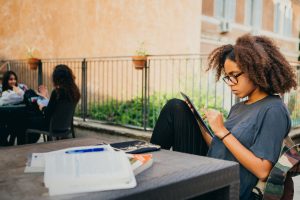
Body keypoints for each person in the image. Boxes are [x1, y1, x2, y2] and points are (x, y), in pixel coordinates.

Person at [150, 34, 297, 200]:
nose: (231, 82)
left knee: (175, 107)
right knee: (176, 108)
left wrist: (223, 131)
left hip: (227, 188)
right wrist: (199, 124)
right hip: (212, 170)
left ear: (255, 70)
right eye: (228, 77)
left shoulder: (274, 110)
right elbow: (221, 147)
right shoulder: (239, 107)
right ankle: (146, 166)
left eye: (235, 75)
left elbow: (263, 171)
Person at [28, 64, 80, 136]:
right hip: (65, 126)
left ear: (57, 78)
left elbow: (47, 114)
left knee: (26, 120)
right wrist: (46, 96)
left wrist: (42, 107)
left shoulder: (57, 92)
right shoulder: (75, 92)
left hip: (51, 126)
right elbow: (56, 108)